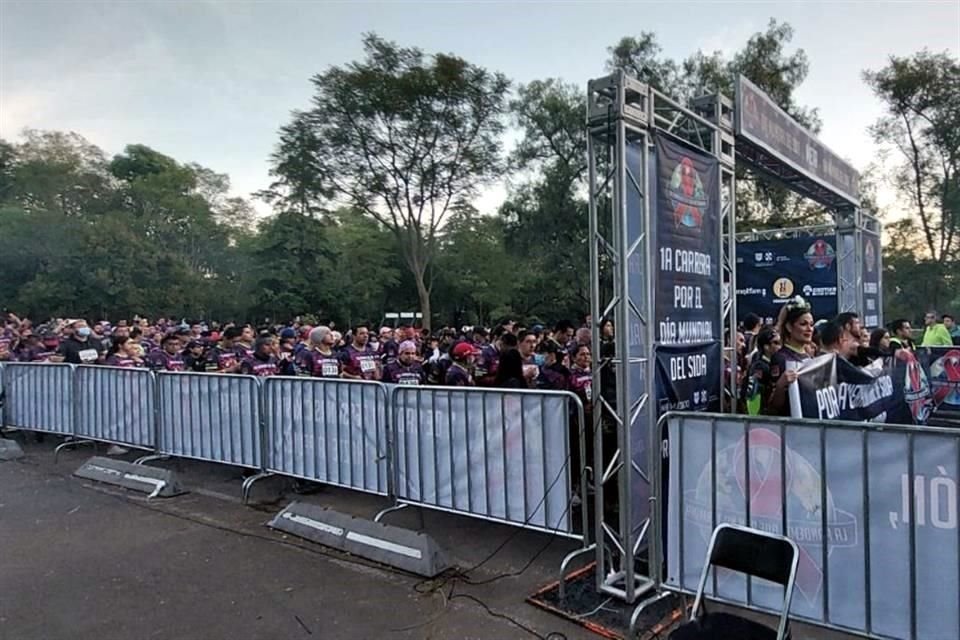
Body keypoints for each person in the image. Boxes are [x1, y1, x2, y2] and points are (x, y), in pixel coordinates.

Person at [766, 297, 813, 415]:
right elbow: (772, 406)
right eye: (803, 324)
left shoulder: (809, 356)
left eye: (811, 324)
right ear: (789, 327)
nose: (809, 329)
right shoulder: (781, 358)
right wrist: (780, 386)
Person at [741, 328, 782, 416]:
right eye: (776, 343)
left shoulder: (774, 363)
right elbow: (752, 396)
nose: (780, 346)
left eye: (780, 342)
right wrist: (756, 418)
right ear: (766, 346)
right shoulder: (760, 366)